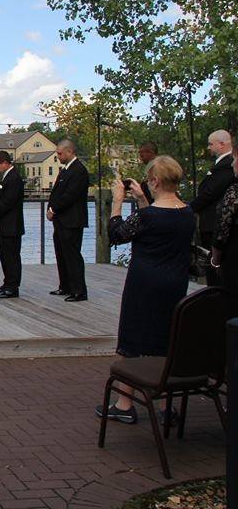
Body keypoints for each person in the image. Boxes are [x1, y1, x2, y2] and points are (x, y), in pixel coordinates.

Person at [95, 156, 194, 425]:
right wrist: (141, 199)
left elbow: (118, 234)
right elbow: (155, 227)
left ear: (154, 181)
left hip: (144, 282)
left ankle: (124, 402)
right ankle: (167, 404)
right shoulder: (186, 213)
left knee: (132, 340)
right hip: (174, 282)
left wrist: (117, 201)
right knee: (166, 337)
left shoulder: (148, 216)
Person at [48, 139, 90, 302]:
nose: (58, 156)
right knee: (61, 254)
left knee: (72, 256)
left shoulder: (78, 170)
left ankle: (79, 290)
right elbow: (57, 193)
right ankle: (65, 285)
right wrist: (50, 207)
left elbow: (70, 196)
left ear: (69, 152)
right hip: (61, 221)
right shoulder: (66, 170)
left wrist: (53, 209)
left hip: (72, 221)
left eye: (59, 153)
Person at [191, 130, 234, 287]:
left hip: (214, 224)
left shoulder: (227, 165)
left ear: (221, 144)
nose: (208, 147)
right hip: (210, 223)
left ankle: (216, 300)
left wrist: (188, 208)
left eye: (210, 144)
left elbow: (209, 193)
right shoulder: (222, 165)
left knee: (215, 268)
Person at [0, 151, 24, 299]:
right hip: (4, 224)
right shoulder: (7, 177)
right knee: (4, 255)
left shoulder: (14, 178)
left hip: (11, 224)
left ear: (5, 163)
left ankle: (12, 287)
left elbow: (8, 202)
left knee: (11, 256)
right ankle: (7, 282)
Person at [211, 143, 238, 311]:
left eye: (235, 158)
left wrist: (215, 258)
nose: (233, 163)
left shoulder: (234, 192)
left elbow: (222, 227)